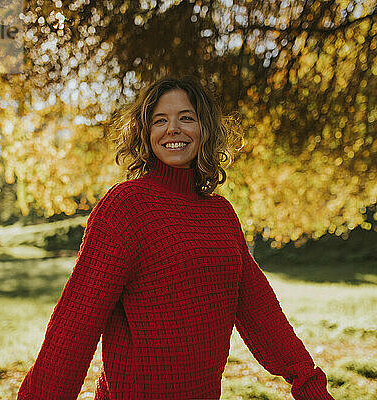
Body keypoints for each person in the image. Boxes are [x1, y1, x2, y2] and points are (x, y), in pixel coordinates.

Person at [17, 75, 335, 400]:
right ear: (146, 134)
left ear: (205, 130)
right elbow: (76, 322)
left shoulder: (221, 214)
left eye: (186, 118)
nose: (173, 129)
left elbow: (260, 309)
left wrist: (308, 382)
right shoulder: (126, 206)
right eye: (160, 120)